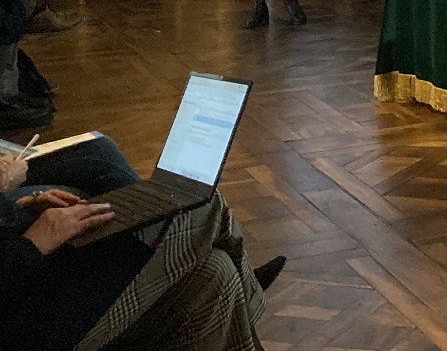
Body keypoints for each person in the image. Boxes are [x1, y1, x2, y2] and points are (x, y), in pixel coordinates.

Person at [1, 135, 282, 350]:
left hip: (22, 267)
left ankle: (239, 284)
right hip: (21, 312)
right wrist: (35, 241)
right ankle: (250, 293)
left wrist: (21, 209)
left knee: (216, 273)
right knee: (204, 206)